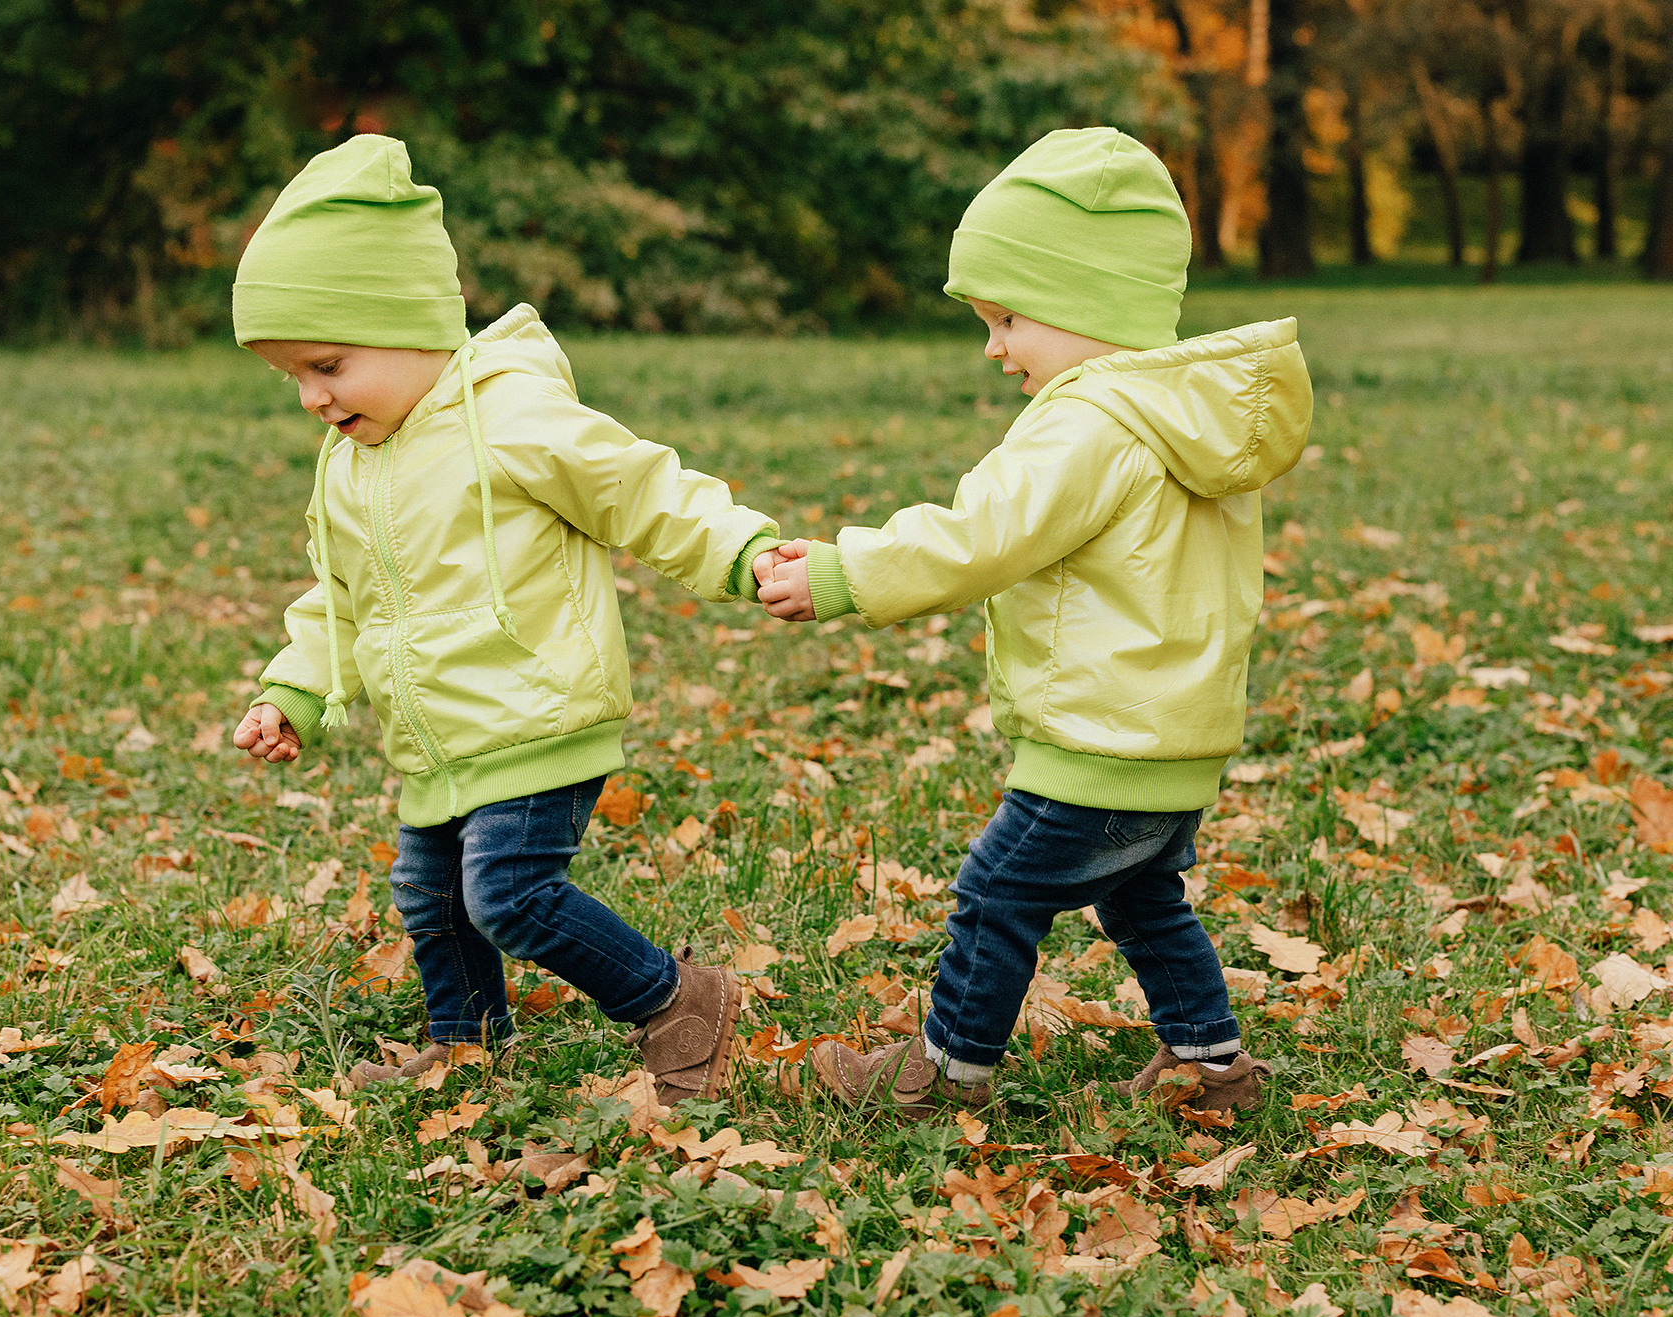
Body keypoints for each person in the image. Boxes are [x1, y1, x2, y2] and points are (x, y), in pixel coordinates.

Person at [758, 128, 1312, 1117]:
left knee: (997, 889)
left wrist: (848, 573)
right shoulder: (1184, 415)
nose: (994, 346)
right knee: (1141, 898)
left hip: (1098, 734)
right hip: (1174, 734)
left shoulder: (1087, 422)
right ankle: (1210, 1063)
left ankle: (947, 1069)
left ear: (1080, 304)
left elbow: (980, 537)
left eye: (1007, 317)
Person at [230, 134, 780, 1105]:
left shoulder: (514, 418)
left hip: (537, 709)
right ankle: (466, 1045)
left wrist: (740, 551)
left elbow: (639, 491)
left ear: (410, 325)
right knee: (432, 901)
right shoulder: (355, 464)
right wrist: (296, 689)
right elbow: (339, 592)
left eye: (327, 364)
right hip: (441, 734)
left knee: (509, 896)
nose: (314, 398)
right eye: (294, 380)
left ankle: (676, 999)